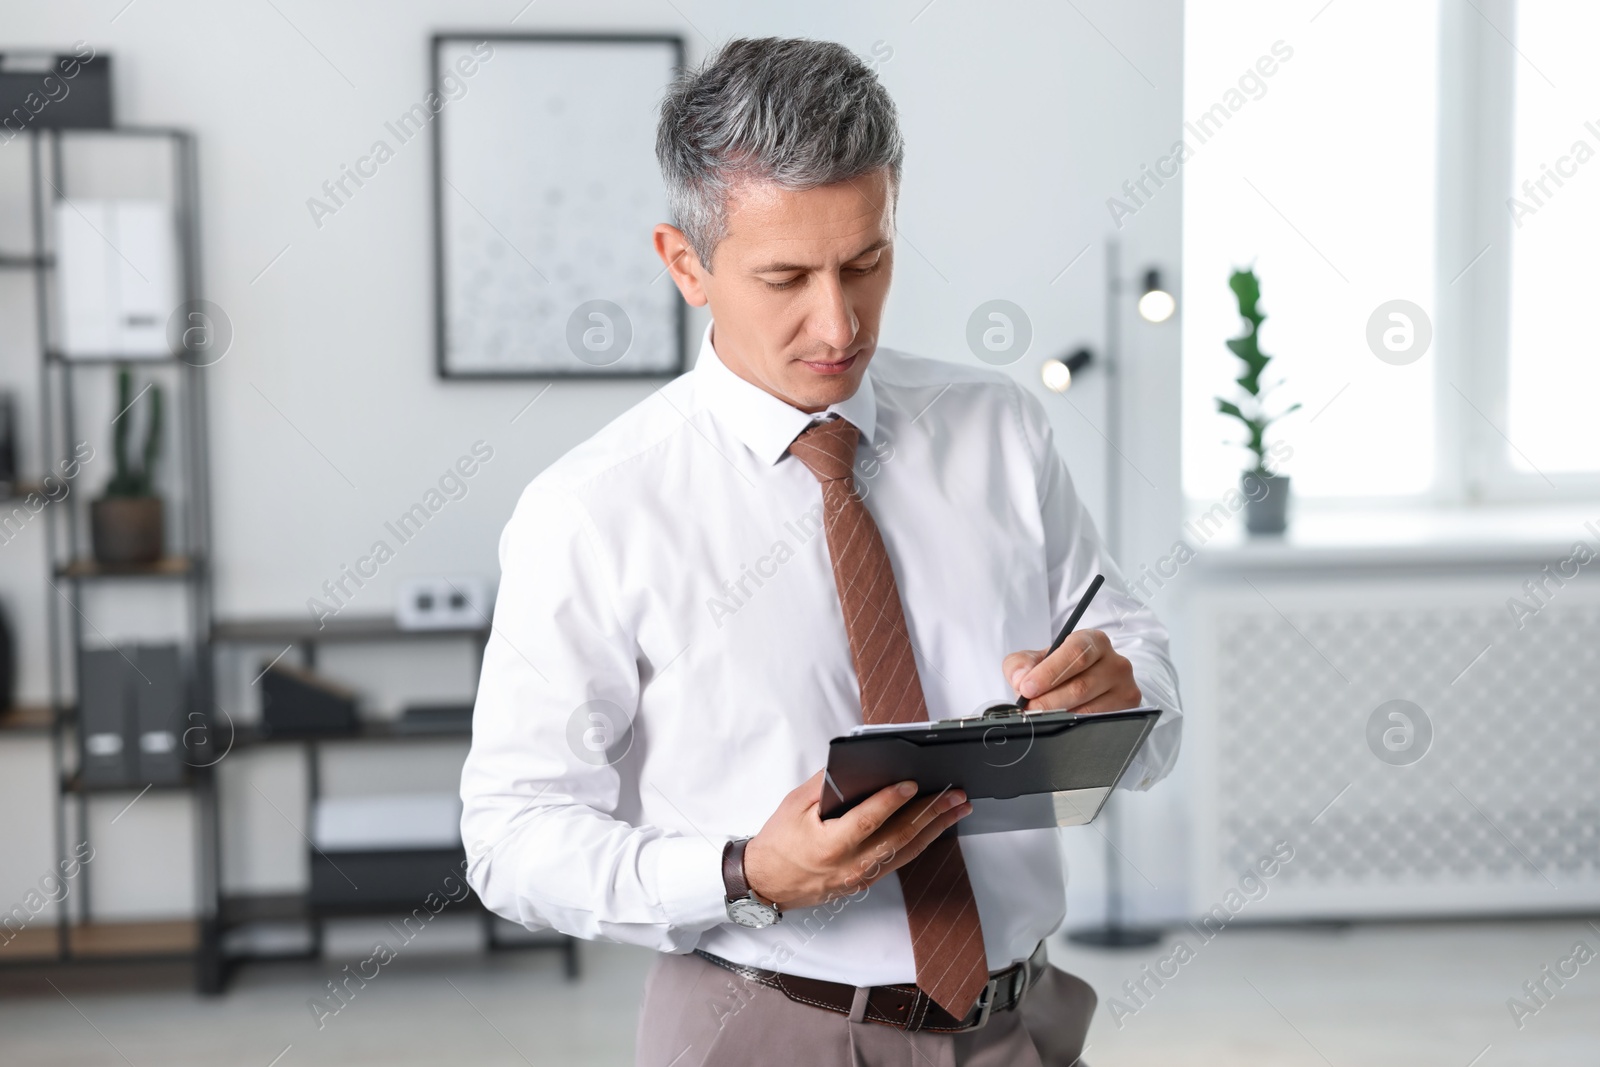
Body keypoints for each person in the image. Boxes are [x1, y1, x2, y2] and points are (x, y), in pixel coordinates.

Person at [460, 36, 1182, 1066]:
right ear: (684, 263)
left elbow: (1144, 683)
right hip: (762, 1026)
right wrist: (744, 870)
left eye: (866, 262)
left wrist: (1122, 693)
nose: (837, 322)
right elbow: (511, 838)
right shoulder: (591, 510)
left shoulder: (999, 432)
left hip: (1019, 1027)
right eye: (786, 276)